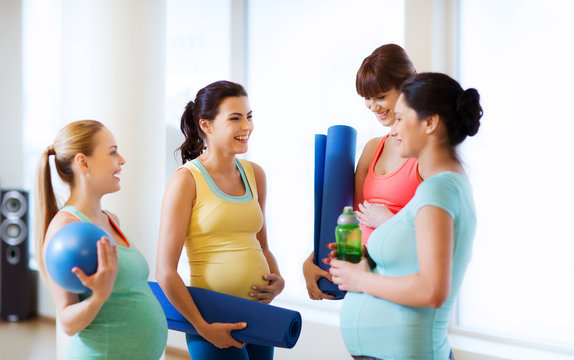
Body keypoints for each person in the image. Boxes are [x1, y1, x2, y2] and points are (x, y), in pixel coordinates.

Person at [329, 72, 482, 359]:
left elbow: (431, 290)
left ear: (429, 123)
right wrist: (363, 260)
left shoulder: (439, 190)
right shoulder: (441, 188)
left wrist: (359, 280)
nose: (394, 129)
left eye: (401, 119)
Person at [156, 80, 284, 360]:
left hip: (259, 313)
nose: (246, 127)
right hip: (212, 318)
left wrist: (278, 281)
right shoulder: (186, 180)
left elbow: (261, 244)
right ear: (207, 125)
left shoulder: (255, 174)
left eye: (249, 117)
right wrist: (202, 327)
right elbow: (165, 271)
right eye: (235, 118)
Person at [34, 120, 167, 359]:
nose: (122, 160)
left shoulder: (110, 219)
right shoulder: (64, 228)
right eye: (113, 152)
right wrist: (98, 296)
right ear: (83, 163)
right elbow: (67, 322)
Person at [303, 44, 421, 300]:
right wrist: (312, 259)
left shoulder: (425, 153)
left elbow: (434, 235)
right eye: (367, 99)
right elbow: (349, 220)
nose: (372, 107)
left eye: (380, 96)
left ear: (407, 87)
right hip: (360, 283)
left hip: (399, 284)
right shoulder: (372, 148)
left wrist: (389, 221)